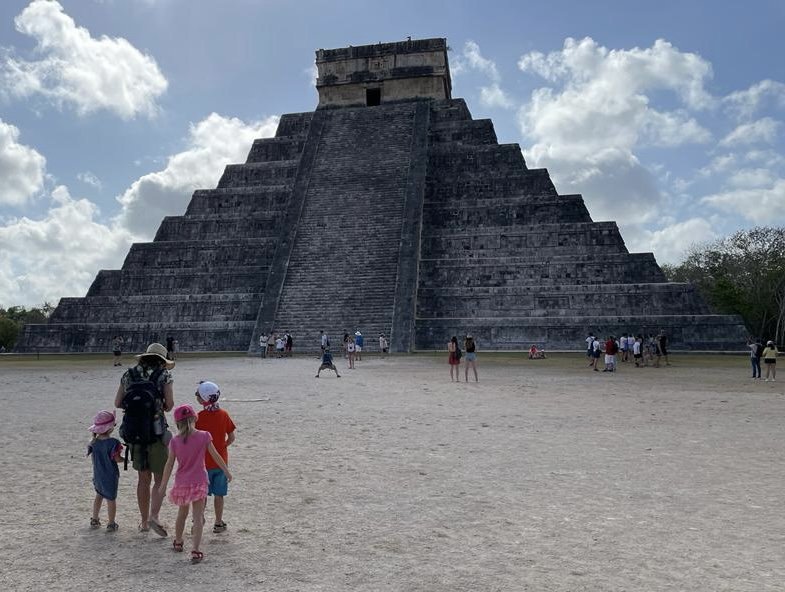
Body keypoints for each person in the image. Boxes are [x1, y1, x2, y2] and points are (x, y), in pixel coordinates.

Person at [157, 405, 232, 564]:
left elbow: (169, 464)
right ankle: (196, 550)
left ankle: (178, 541)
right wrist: (225, 471)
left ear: (177, 423)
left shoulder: (175, 441)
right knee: (198, 517)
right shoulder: (204, 436)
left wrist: (163, 485)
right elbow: (216, 456)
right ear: (194, 419)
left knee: (182, 514)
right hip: (199, 481)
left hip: (182, 483)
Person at [114, 342, 174, 536]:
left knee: (143, 478)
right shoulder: (164, 375)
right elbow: (169, 405)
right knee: (159, 478)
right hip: (156, 430)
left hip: (134, 432)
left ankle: (143, 522)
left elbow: (117, 402)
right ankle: (154, 516)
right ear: (162, 360)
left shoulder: (128, 375)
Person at [194, 381, 236, 534]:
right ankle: (218, 522)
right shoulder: (224, 414)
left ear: (202, 399)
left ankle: (198, 520)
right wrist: (223, 446)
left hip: (203, 463)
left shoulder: (198, 417)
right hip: (221, 462)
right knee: (219, 494)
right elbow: (231, 437)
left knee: (202, 494)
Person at [87, 410, 123, 531]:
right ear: (110, 428)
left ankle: (95, 519)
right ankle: (111, 523)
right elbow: (117, 459)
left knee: (99, 495)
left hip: (98, 475)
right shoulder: (113, 443)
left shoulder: (94, 442)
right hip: (110, 475)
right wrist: (124, 460)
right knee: (111, 499)